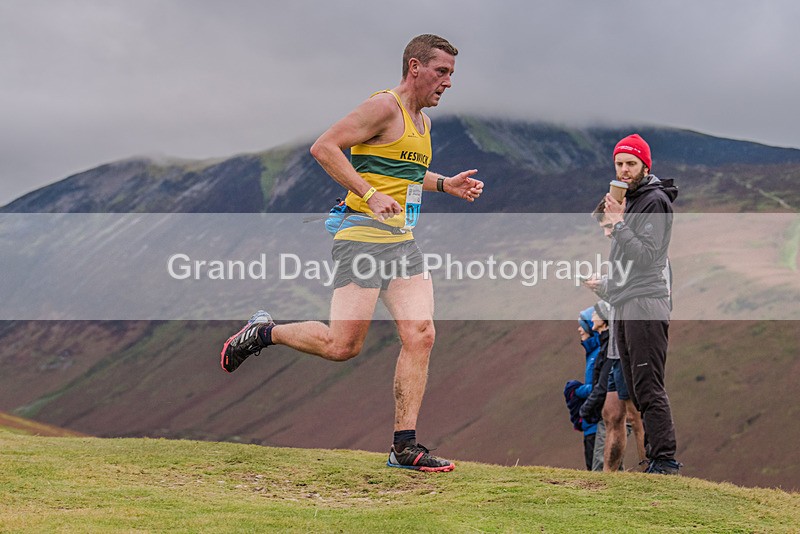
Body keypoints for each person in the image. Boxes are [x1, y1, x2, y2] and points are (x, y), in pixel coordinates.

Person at [219, 34, 484, 473]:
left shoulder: (424, 123)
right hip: (361, 237)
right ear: (415, 67)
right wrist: (367, 192)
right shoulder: (384, 106)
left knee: (421, 333)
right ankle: (263, 332)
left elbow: (406, 172)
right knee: (343, 346)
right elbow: (324, 147)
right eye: (442, 72)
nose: (448, 82)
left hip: (401, 241)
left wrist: (445, 184)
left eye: (453, 74)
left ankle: (405, 447)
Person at [588, 134, 681, 475]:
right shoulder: (633, 198)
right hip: (626, 301)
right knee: (637, 390)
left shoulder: (654, 201)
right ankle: (656, 460)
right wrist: (614, 215)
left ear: (645, 165)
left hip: (646, 302)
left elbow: (646, 255)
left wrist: (619, 224)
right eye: (619, 164)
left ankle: (665, 462)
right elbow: (604, 226)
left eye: (631, 164)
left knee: (649, 386)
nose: (624, 170)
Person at [574, 305, 602, 470]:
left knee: (597, 469)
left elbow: (601, 387)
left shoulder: (598, 353)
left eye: (582, 325)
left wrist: (577, 390)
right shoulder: (593, 352)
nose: (579, 329)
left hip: (596, 422)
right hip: (590, 424)